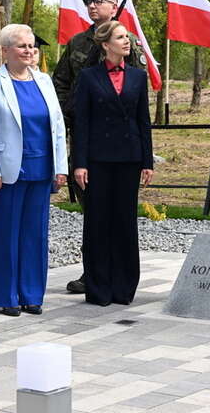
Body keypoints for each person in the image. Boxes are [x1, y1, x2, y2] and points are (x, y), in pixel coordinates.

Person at [52, 0, 142, 294]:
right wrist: (69, 117)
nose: (93, 6)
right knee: (93, 211)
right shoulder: (77, 42)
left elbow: (136, 87)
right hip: (87, 136)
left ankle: (118, 275)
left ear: (114, 6)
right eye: (89, 1)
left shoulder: (129, 43)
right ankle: (94, 273)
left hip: (120, 142)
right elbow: (61, 82)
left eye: (100, 1)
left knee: (120, 213)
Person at [0, 24, 67, 316]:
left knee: (35, 235)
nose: (30, 51)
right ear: (5, 50)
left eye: (32, 46)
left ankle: (32, 295)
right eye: (22, 46)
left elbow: (57, 126)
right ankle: (8, 296)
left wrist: (61, 167)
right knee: (7, 235)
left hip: (42, 169)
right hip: (7, 172)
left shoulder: (44, 80)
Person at [73, 20, 153, 306]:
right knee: (98, 222)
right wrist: (80, 163)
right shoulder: (88, 77)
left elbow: (143, 121)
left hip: (129, 159)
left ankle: (124, 287)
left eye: (127, 37)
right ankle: (98, 288)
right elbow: (81, 123)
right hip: (98, 160)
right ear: (106, 45)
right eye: (120, 37)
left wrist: (147, 161)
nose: (127, 41)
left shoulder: (138, 77)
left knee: (125, 222)